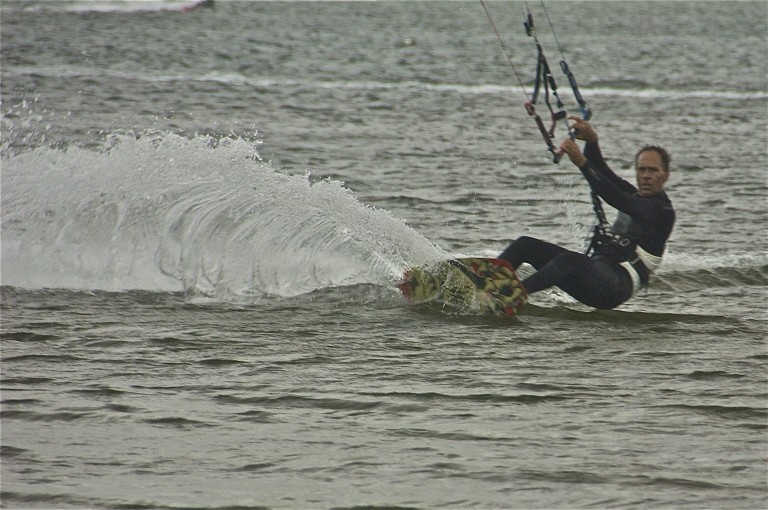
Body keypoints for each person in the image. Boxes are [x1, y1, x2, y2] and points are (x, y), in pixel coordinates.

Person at [497, 117, 675, 309]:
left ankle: (508, 300)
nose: (646, 176)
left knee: (569, 260)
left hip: (616, 285)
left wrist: (582, 163)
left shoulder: (662, 210)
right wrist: (592, 141)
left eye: (653, 170)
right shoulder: (635, 195)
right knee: (525, 245)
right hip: (594, 274)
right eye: (642, 170)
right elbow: (603, 172)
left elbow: (615, 196)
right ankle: (484, 284)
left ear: (665, 175)